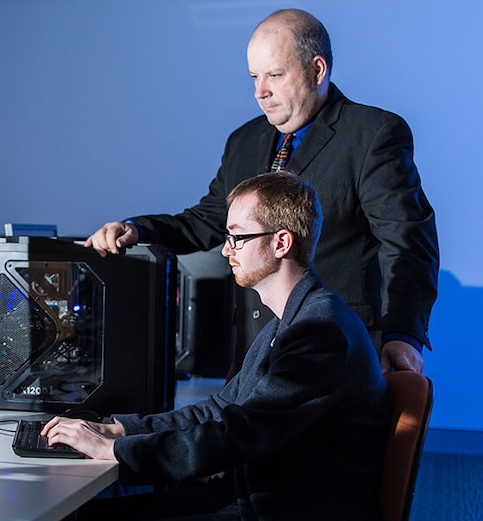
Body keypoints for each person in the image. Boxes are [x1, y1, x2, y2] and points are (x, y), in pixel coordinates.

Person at [44, 171, 389, 521]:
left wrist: (116, 452)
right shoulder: (288, 320)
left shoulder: (320, 331)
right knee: (93, 520)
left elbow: (238, 433)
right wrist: (120, 430)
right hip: (258, 499)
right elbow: (219, 410)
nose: (227, 251)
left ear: (281, 242)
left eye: (237, 237)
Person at [85, 8, 438, 375]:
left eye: (275, 75)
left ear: (317, 70)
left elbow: (408, 243)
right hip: (253, 356)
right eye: (254, 77)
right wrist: (139, 231)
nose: (260, 92)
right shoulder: (243, 141)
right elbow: (207, 221)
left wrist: (403, 334)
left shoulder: (373, 134)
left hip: (336, 349)